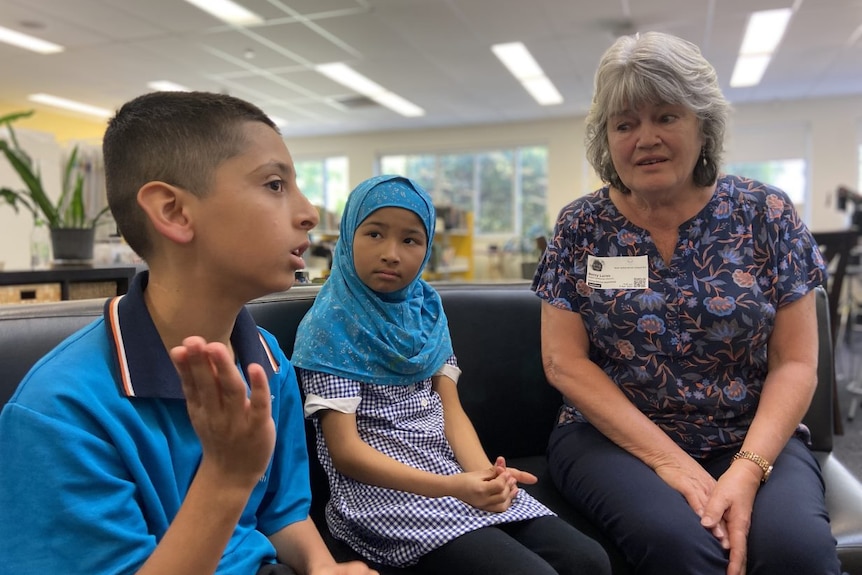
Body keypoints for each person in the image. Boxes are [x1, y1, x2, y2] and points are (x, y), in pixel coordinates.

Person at [0, 91, 376, 575]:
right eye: (276, 184)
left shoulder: (267, 359)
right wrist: (226, 474)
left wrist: (324, 569)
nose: (308, 212)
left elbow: (282, 512)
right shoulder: (58, 411)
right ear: (174, 212)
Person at [533, 32, 844, 575]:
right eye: (624, 124)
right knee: (684, 547)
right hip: (612, 437)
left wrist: (746, 471)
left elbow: (796, 363)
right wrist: (670, 462)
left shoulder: (764, 212)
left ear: (704, 125)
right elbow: (565, 362)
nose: (644, 138)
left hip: (748, 432)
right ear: (607, 139)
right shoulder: (582, 225)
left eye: (666, 116)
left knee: (798, 554)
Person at [291, 175, 611, 575]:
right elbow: (346, 452)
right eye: (374, 233)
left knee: (589, 561)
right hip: (381, 495)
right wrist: (456, 488)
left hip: (449, 472)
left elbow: (450, 409)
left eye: (410, 240)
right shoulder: (329, 324)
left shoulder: (426, 308)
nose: (391, 253)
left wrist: (486, 477)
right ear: (347, 235)